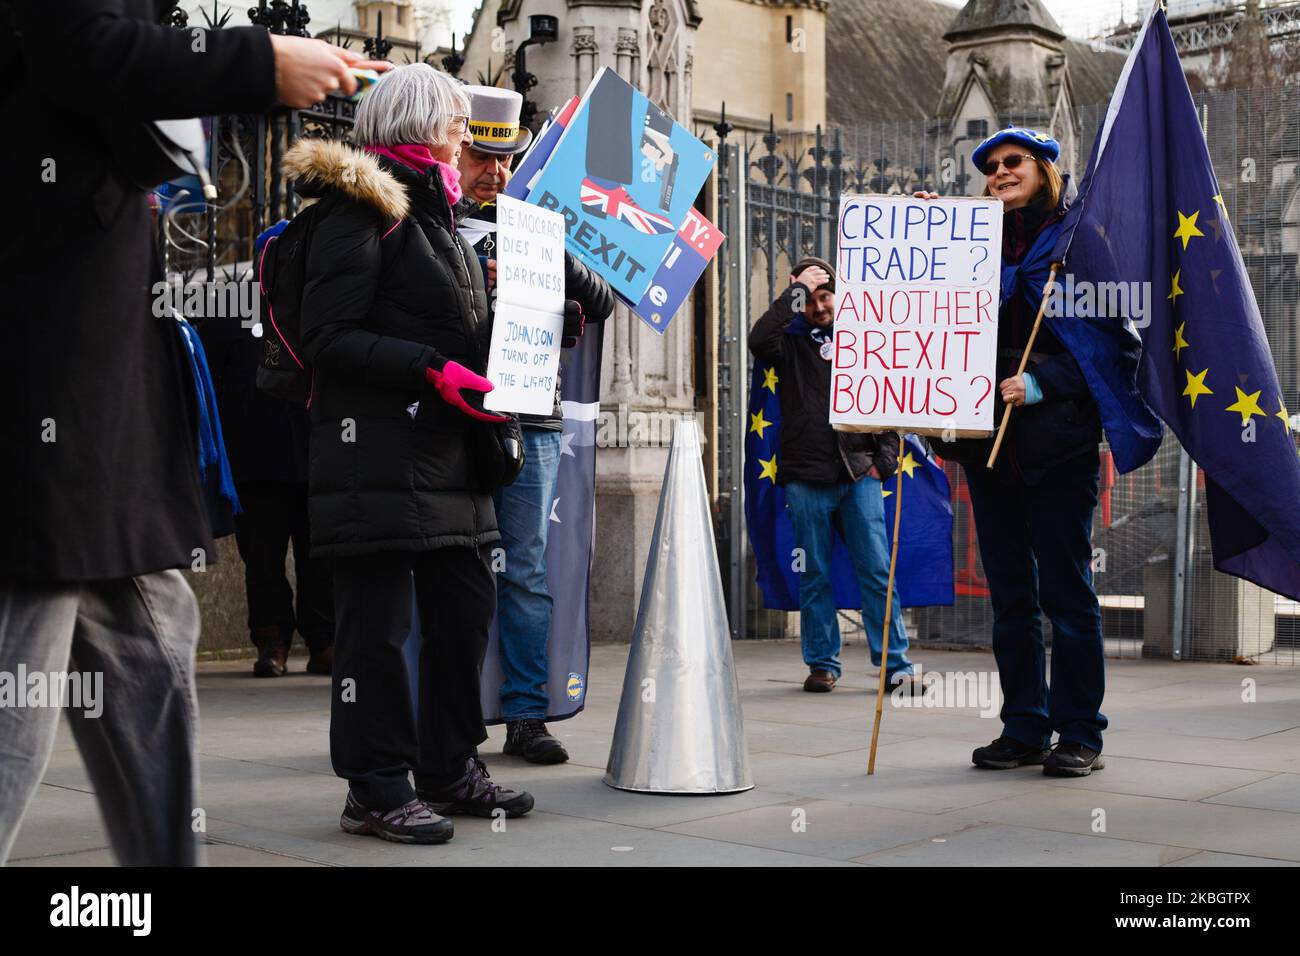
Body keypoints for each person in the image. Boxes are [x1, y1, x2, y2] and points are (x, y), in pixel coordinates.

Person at [0, 0, 388, 866]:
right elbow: (80, 43)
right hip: (49, 357)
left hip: (89, 373)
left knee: (148, 628)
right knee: (28, 642)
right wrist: (256, 62)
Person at [288, 64, 534, 846]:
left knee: (465, 613)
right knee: (378, 630)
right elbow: (330, 339)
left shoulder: (437, 217)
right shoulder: (359, 209)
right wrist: (429, 368)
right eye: (459, 125)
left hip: (454, 458)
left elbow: (452, 322)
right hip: (377, 461)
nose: (468, 139)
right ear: (423, 125)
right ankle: (376, 786)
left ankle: (448, 765)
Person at [917, 126, 1109, 777]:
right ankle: (1025, 725)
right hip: (989, 451)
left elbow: (1113, 345)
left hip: (1059, 445)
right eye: (991, 165)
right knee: (1011, 599)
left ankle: (1080, 730)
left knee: (1066, 593)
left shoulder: (1081, 243)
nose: (999, 170)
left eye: (1013, 160)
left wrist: (1042, 382)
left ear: (1044, 168)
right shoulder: (971, 244)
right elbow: (927, 319)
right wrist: (921, 236)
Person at [455, 86, 615, 764]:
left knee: (523, 571)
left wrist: (556, 259)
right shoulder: (430, 219)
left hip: (533, 416)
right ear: (456, 151)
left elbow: (602, 299)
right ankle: (450, 720)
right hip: (453, 414)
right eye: (481, 157)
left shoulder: (537, 222)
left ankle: (526, 714)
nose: (493, 171)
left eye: (505, 158)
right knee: (450, 571)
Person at [748, 258, 919, 694]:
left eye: (826, 296)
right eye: (812, 299)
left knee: (877, 571)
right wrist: (795, 292)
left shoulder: (864, 340)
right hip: (806, 477)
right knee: (814, 574)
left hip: (859, 473)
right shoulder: (787, 343)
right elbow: (758, 338)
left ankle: (894, 663)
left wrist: (883, 461)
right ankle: (823, 664)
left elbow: (889, 403)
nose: (820, 307)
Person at [198, 270, 335, 678]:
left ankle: (323, 640)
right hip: (256, 461)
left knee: (320, 556)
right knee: (262, 558)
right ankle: (270, 638)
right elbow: (211, 382)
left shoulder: (322, 302)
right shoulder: (230, 310)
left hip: (316, 457)